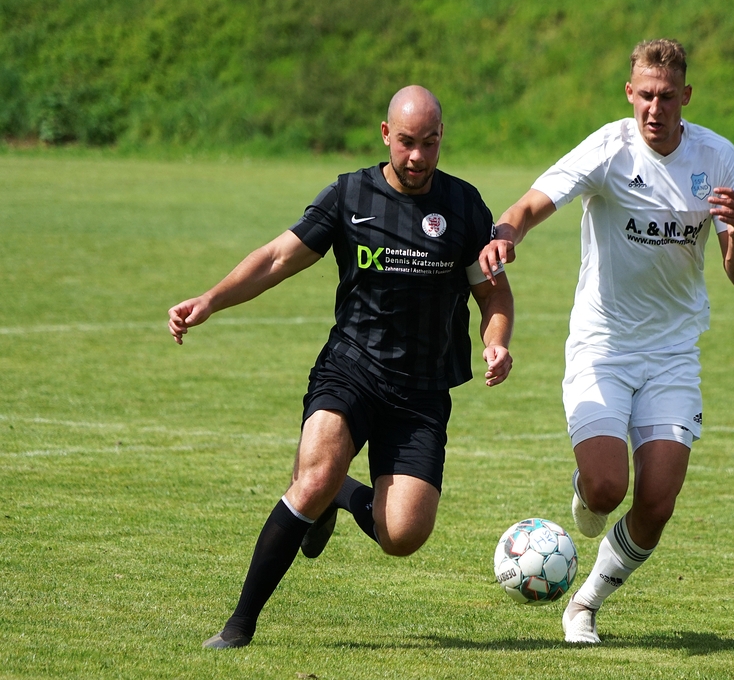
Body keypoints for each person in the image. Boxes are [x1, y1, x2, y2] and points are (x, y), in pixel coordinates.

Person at [169, 85, 514, 649]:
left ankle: (343, 494)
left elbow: (493, 295)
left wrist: (496, 342)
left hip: (422, 390)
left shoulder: (464, 206)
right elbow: (277, 258)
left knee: (401, 535)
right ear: (385, 134)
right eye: (406, 142)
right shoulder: (350, 194)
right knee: (311, 480)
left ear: (441, 138)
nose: (417, 157)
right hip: (351, 367)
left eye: (429, 143)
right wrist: (211, 299)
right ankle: (239, 625)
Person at [479, 39, 734, 644]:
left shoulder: (718, 158)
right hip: (602, 345)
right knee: (607, 488)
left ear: (686, 96)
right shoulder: (609, 148)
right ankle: (587, 488)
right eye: (645, 95)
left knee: (657, 501)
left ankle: (584, 604)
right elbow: (532, 203)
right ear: (630, 93)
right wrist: (505, 234)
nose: (656, 108)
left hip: (672, 354)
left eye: (667, 96)